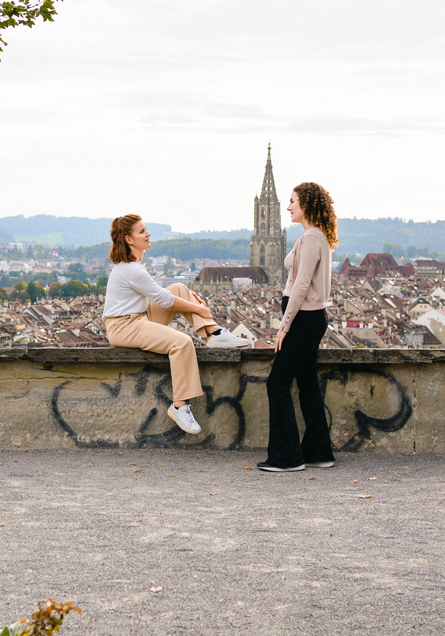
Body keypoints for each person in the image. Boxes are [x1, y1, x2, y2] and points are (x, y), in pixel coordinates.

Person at [104, 214, 252, 435]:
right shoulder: (131, 269)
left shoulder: (132, 265)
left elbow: (166, 295)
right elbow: (163, 299)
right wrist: (199, 308)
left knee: (179, 288)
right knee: (182, 343)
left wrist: (191, 298)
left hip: (138, 318)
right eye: (142, 231)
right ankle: (179, 405)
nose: (148, 234)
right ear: (129, 239)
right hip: (123, 327)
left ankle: (215, 333)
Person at [259, 182, 338, 473]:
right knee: (307, 386)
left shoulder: (312, 238)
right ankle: (318, 452)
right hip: (310, 319)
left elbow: (301, 285)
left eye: (292, 201)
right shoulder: (315, 237)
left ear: (306, 203)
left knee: (277, 383)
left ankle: (288, 457)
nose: (289, 207)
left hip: (304, 319)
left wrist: (284, 326)